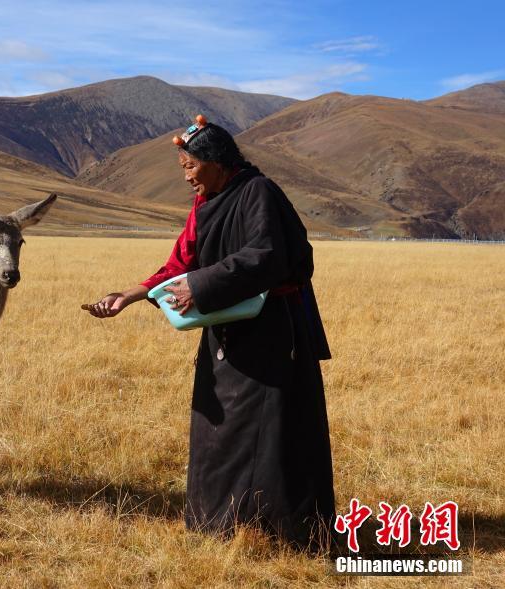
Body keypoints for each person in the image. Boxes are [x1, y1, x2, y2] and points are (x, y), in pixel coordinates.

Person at [86, 115, 336, 550]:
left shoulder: (258, 193)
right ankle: (217, 527)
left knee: (275, 434)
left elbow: (268, 255)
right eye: (183, 169)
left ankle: (283, 535)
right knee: (217, 430)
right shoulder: (204, 205)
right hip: (226, 332)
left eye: (190, 167)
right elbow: (180, 264)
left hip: (274, 336)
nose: (187, 178)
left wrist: (201, 286)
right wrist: (127, 296)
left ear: (216, 161)